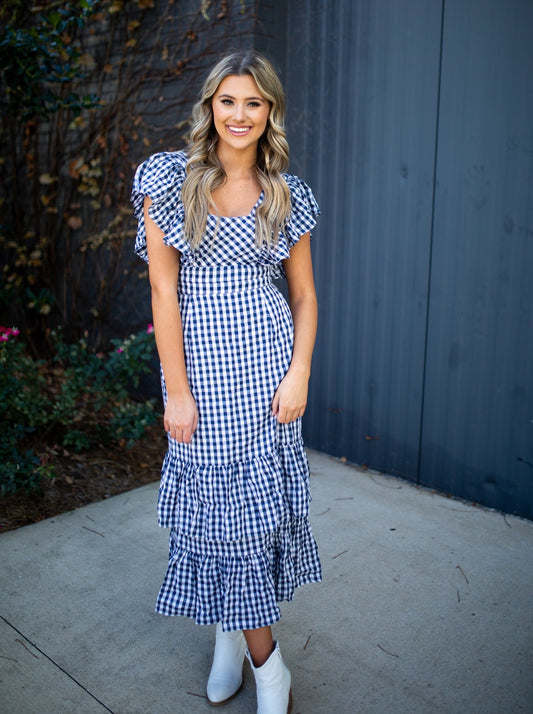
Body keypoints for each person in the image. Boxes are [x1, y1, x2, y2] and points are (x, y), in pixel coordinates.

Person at [131, 50, 321, 714]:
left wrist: (298, 372)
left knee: (251, 524)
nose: (239, 115)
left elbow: (302, 298)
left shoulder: (282, 193)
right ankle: (249, 652)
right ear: (210, 105)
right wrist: (175, 390)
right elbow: (162, 290)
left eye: (254, 103)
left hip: (265, 373)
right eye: (228, 101)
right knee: (215, 524)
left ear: (269, 113)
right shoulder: (167, 178)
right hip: (200, 378)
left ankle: (254, 659)